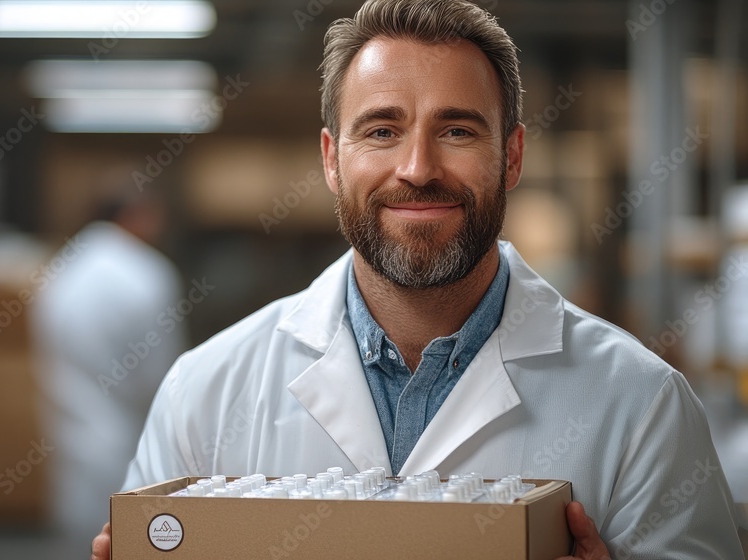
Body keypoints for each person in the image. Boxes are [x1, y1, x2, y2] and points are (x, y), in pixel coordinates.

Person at [93, 0, 744, 558]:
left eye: (457, 129)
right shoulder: (205, 393)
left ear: (511, 156)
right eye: (382, 130)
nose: (417, 167)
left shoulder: (641, 406)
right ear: (331, 160)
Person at [30, 192, 186, 548]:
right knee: (135, 540)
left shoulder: (60, 270)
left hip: (67, 430)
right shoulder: (146, 273)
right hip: (130, 434)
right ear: (138, 214)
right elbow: (163, 375)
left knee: (80, 540)